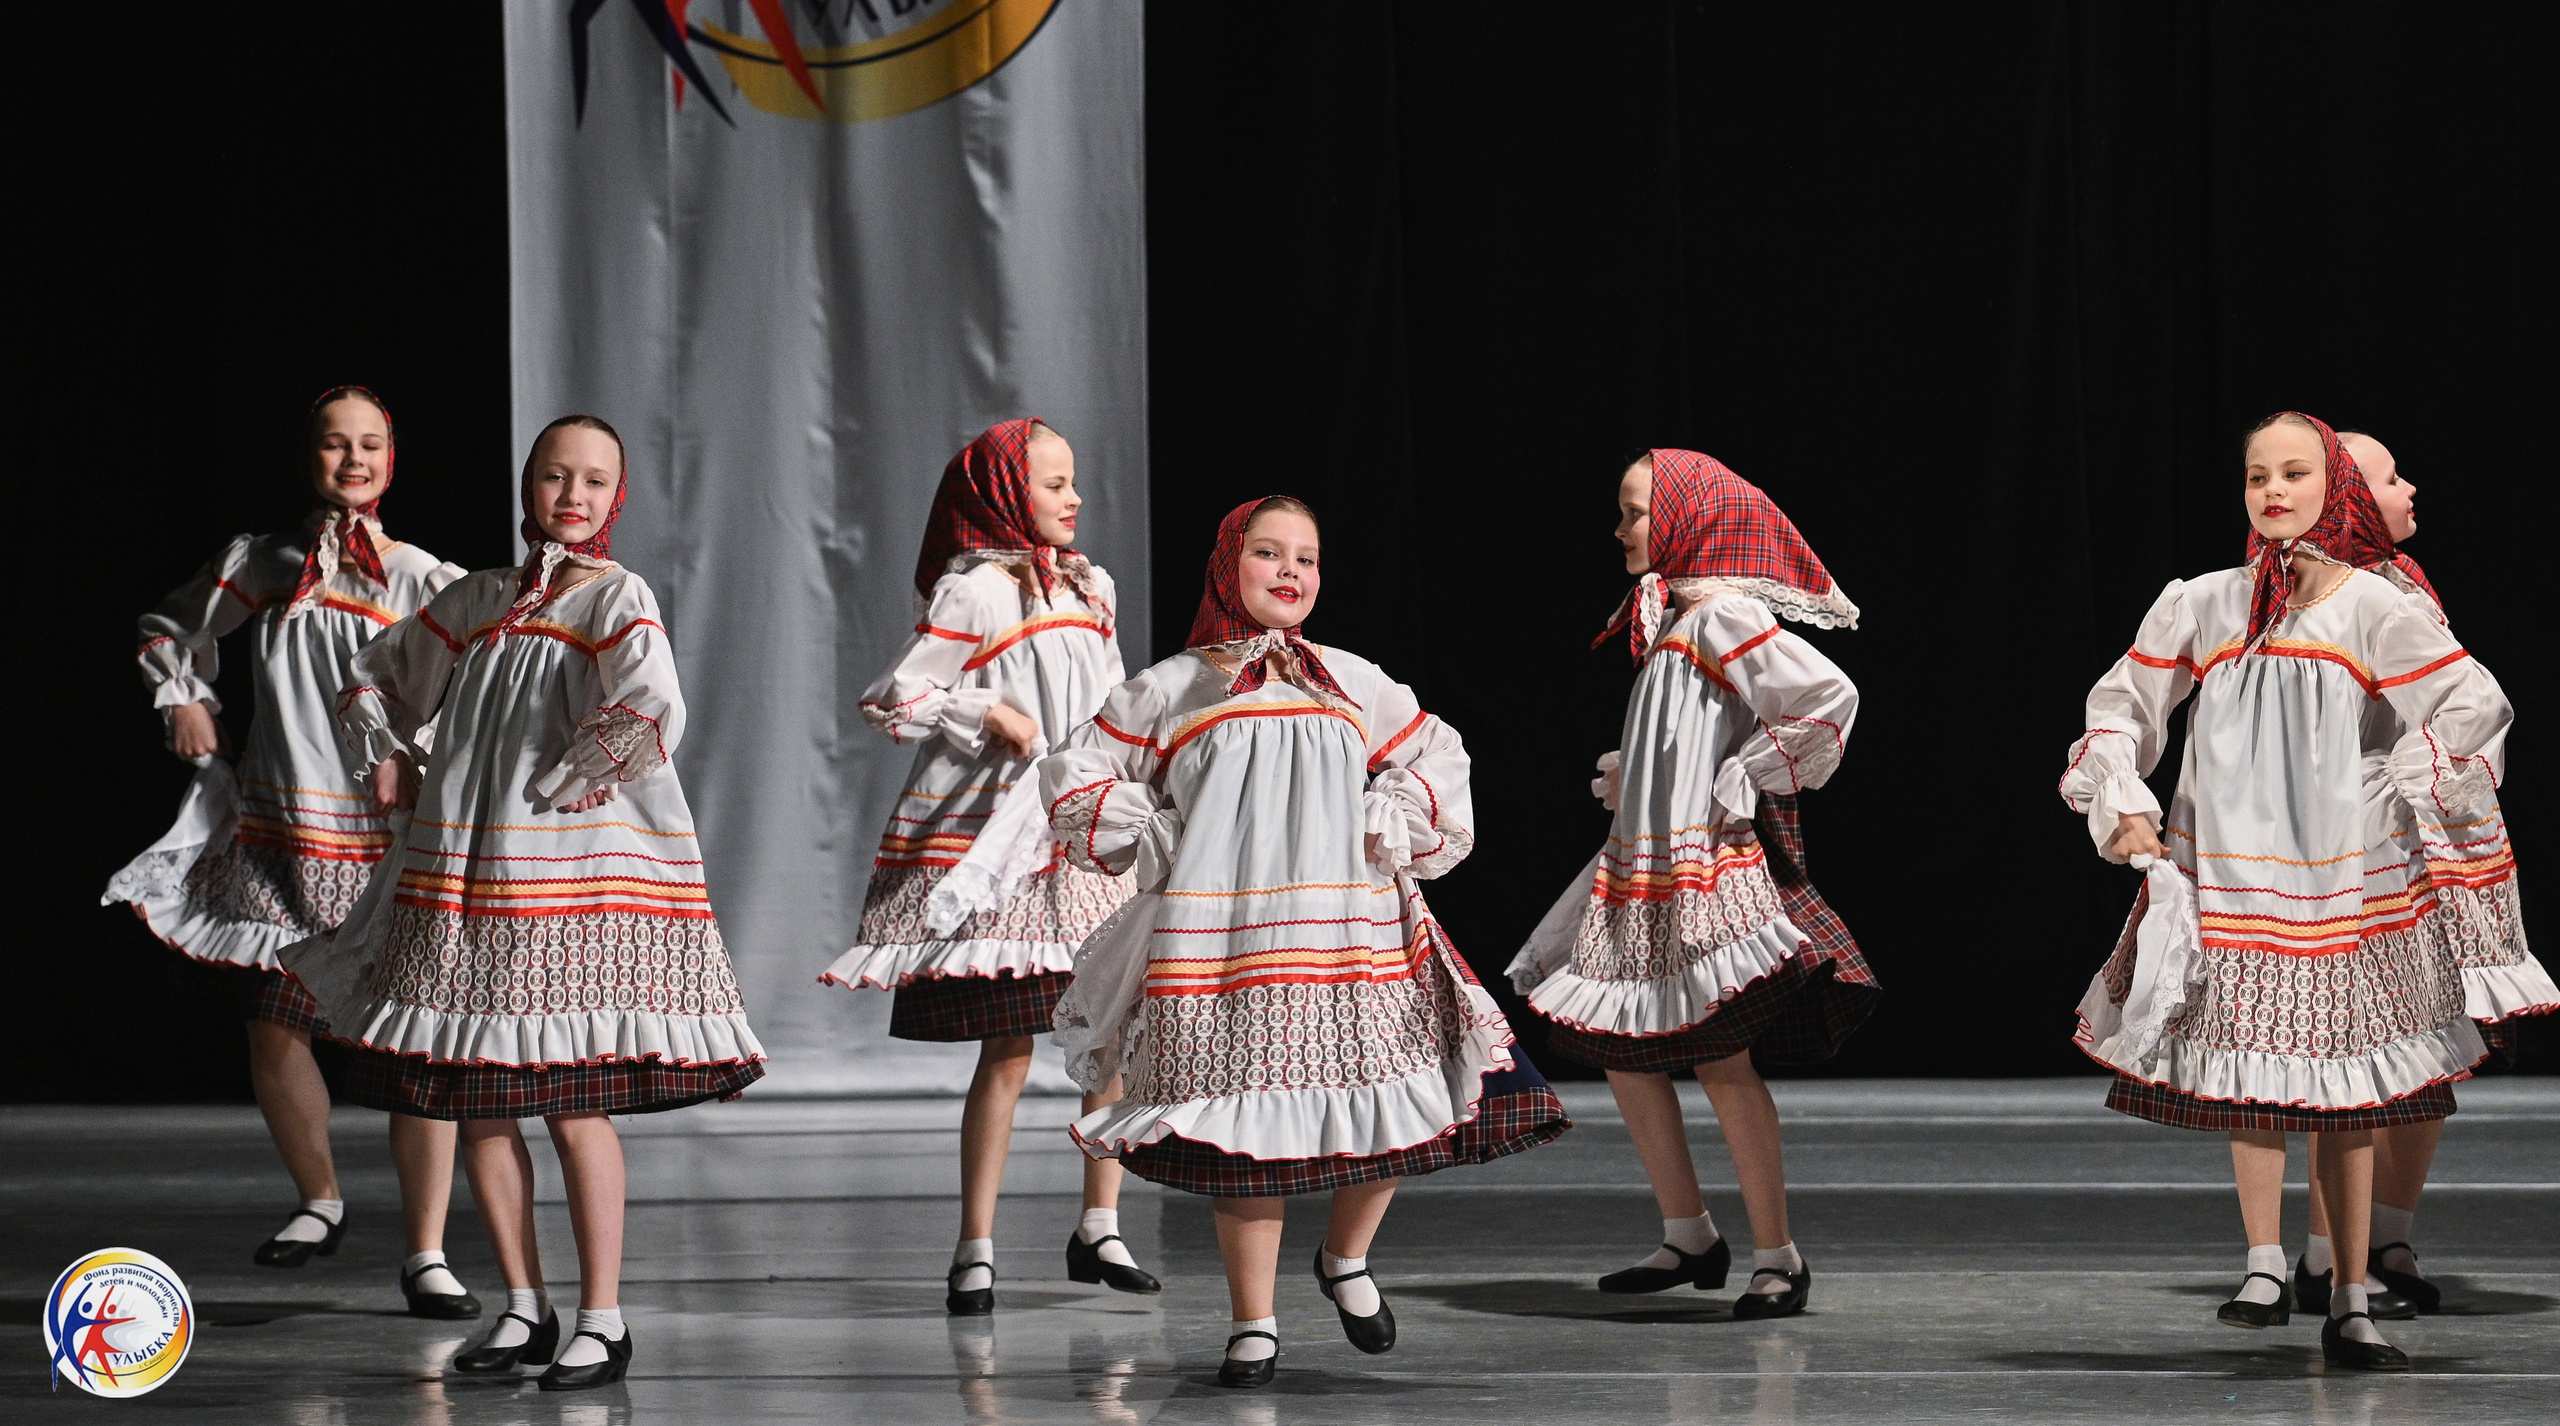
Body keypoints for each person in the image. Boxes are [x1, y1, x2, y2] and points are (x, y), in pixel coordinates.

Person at [283, 414, 767, 1391]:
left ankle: (603, 1313)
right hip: (467, 880)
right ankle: (523, 1304)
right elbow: (375, 676)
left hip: (564, 881)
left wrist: (594, 760)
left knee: (573, 1103)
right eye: (555, 476)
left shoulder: (613, 595)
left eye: (592, 480)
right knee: (482, 1105)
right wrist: (390, 752)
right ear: (528, 486)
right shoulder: (477, 598)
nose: (572, 496)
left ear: (615, 496)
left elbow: (647, 697)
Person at [1042, 496, 1569, 1388]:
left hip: (1348, 929)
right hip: (1227, 939)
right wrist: (1150, 827)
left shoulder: (1350, 679)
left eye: (1308, 558)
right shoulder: (1172, 687)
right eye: (1269, 553)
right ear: (1227, 566)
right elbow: (1075, 772)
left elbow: (1438, 754)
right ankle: (1254, 1322)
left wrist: (1392, 809)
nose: (1290, 572)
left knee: (1400, 1102)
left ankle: (1346, 1260)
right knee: (1247, 1135)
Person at [2061, 411, 2507, 1372]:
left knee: (2345, 1096)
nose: (2272, 491)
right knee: (2256, 1074)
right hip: (2231, 871)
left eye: (2295, 473)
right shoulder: (2205, 604)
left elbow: (2473, 702)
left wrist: (2406, 778)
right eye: (2257, 475)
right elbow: (2121, 706)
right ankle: (2267, 1261)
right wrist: (2123, 796)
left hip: (2335, 882)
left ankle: (2350, 1296)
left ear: (2331, 487)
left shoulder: (2371, 609)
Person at [105, 387, 479, 1318]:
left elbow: (476, 695)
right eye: (333, 444)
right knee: (275, 1021)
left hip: (387, 843)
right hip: (281, 829)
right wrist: (183, 696)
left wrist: (415, 756)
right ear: (307, 456)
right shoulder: (264, 563)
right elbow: (165, 629)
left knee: (416, 1042)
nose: (352, 461)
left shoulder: (428, 581)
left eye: (369, 446)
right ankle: (320, 1198)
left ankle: (427, 1253)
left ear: (393, 462)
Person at [1508, 449, 1875, 1319]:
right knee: (1625, 1052)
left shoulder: (1719, 616)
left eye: (1635, 512)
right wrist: (1635, 770)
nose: (1622, 529)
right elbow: (1685, 731)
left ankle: (1779, 1254)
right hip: (1646, 867)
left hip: (1703, 867)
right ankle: (1690, 1234)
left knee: (1719, 1057)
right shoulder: (1676, 622)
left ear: (1682, 520)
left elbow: (1826, 695)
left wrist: (1754, 771)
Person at [819, 419, 1155, 1313]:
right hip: (998, 837)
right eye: (1053, 484)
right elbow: (896, 698)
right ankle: (975, 1243)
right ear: (1007, 495)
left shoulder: (1092, 587)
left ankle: (1100, 1224)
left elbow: (1112, 701)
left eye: (1072, 481)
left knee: (1108, 1034)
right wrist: (985, 715)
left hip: (1079, 837)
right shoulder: (975, 592)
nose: (1073, 498)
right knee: (1005, 1049)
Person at [2291, 431, 2554, 1317]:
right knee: (2357, 1060)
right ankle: (2329, 1256)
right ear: (2350, 500)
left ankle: (2390, 1235)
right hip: (2351, 845)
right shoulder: (2310, 596)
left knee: (2432, 1051)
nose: (2410, 488)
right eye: (2388, 477)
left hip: (2428, 846)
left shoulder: (2406, 584)